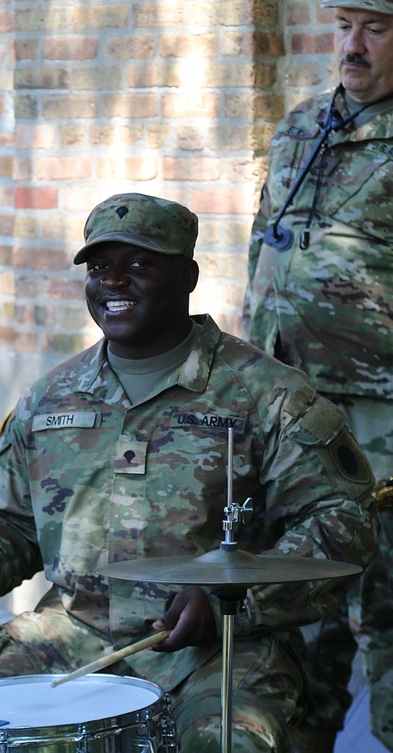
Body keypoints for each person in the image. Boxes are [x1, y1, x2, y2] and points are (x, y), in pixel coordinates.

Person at [0, 193, 378, 753]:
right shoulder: (50, 398)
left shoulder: (268, 394)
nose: (114, 282)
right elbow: (13, 526)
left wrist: (236, 596)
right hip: (74, 634)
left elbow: (342, 523)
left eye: (141, 265)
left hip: (222, 645)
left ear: (188, 275)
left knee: (224, 743)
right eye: (100, 268)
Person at [245, 1, 393, 749]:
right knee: (299, 604)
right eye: (343, 26)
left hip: (381, 419)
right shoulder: (301, 125)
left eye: (376, 28)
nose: (352, 46)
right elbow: (258, 251)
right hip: (293, 411)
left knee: (383, 607)